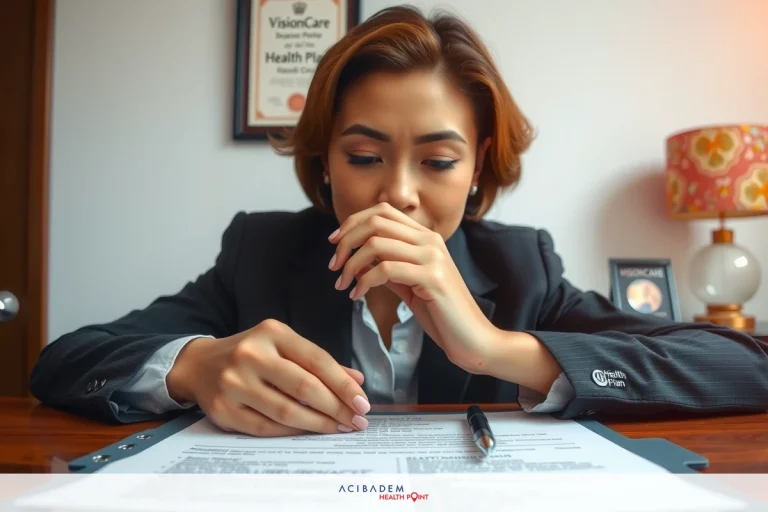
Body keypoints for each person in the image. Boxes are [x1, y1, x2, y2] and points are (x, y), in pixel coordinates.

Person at [30, 6, 768, 437]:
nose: (399, 195)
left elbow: (747, 365)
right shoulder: (261, 251)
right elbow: (64, 360)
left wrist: (499, 348)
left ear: (478, 165)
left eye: (439, 162)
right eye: (364, 155)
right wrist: (193, 367)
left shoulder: (521, 269)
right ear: (325, 164)